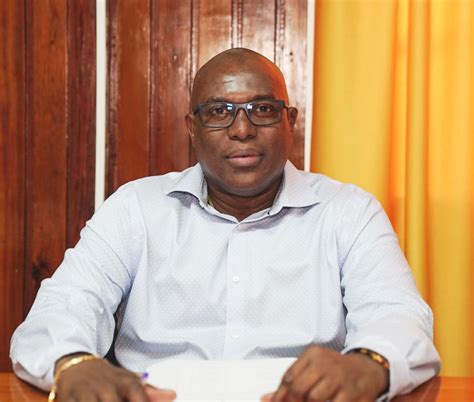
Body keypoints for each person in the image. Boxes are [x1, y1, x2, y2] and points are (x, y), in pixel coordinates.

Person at [11, 48, 440, 402]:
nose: (242, 129)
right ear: (192, 128)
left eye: (262, 109)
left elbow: (399, 316)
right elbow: (62, 309)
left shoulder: (348, 212)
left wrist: (369, 363)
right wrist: (73, 364)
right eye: (219, 111)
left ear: (289, 122)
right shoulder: (135, 208)